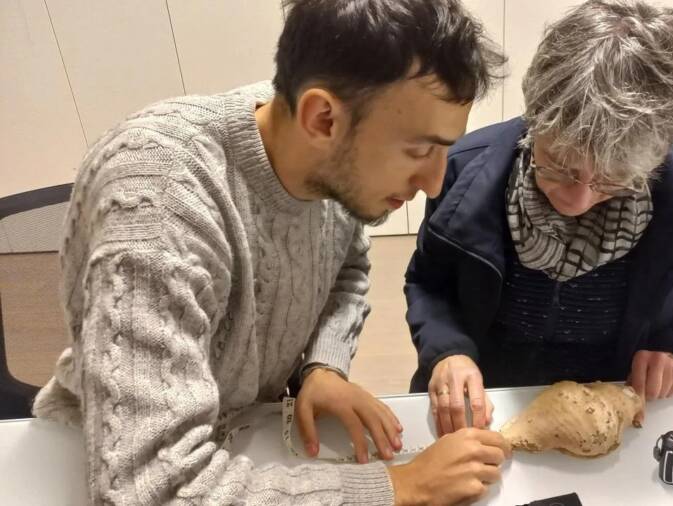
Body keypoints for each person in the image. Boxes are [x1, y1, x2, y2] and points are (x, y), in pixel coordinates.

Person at [32, 0, 510, 504]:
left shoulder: (327, 159)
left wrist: (321, 367)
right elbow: (149, 487)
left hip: (246, 434)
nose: (436, 183)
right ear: (322, 118)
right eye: (419, 150)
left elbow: (347, 264)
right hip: (104, 455)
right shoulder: (161, 200)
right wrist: (394, 487)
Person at [404, 0, 673, 436]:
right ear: (536, 119)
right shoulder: (464, 169)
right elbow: (428, 282)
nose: (577, 199)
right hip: (491, 398)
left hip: (623, 401)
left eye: (613, 178)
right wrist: (447, 351)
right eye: (558, 165)